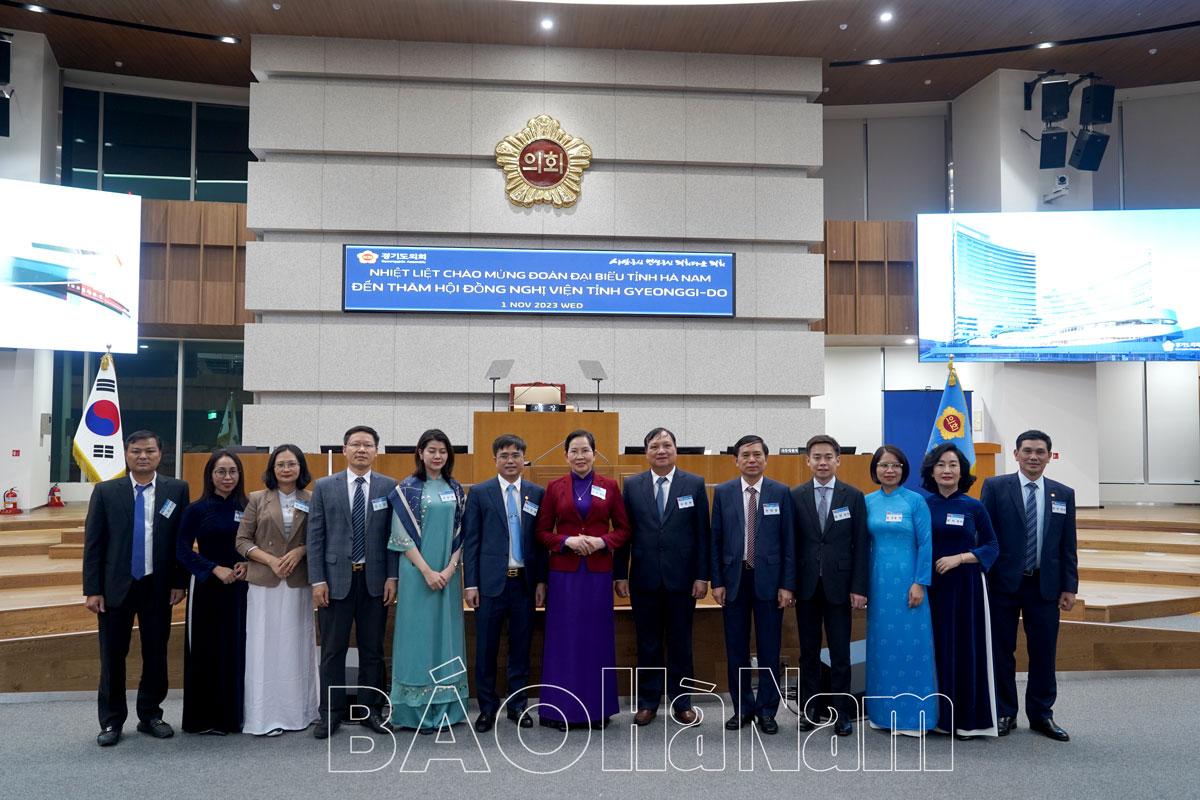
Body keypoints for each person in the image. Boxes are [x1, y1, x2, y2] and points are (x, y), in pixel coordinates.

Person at [82, 430, 191, 747]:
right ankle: (111, 721)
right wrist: (92, 589)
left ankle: (151, 715)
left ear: (160, 454)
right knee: (112, 657)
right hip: (115, 588)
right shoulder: (105, 491)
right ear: (126, 454)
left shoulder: (177, 489)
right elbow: (94, 544)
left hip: (158, 587)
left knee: (155, 655)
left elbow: (180, 542)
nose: (143, 456)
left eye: (150, 451)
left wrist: (179, 582)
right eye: (136, 451)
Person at [980, 429, 1078, 742]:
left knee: (1044, 653)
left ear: (1050, 456)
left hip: (1045, 586)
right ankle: (1004, 712)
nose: (1033, 457)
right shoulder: (995, 487)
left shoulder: (1063, 493)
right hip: (1002, 585)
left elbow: (1067, 545)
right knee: (1001, 652)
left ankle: (1041, 715)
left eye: (1040, 452)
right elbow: (985, 538)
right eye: (1027, 451)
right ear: (1016, 454)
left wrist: (1069, 586)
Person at [535, 429, 631, 730]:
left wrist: (604, 542)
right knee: (563, 642)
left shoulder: (610, 486)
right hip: (564, 575)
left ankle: (597, 709)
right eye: (574, 451)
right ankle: (559, 710)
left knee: (596, 641)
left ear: (594, 454)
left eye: (585, 450)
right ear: (566, 455)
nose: (580, 456)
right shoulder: (554, 488)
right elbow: (541, 531)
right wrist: (565, 541)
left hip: (598, 575)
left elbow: (624, 529)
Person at [307, 425, 399, 739]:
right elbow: (315, 537)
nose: (361, 450)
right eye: (355, 444)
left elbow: (393, 537)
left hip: (374, 582)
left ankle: (370, 711)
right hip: (334, 582)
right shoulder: (324, 486)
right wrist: (317, 580)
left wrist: (392, 576)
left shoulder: (389, 486)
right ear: (344, 450)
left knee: (373, 650)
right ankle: (330, 714)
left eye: (368, 445)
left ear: (376, 451)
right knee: (332, 651)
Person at [614, 427, 709, 726]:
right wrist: (620, 574)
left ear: (676, 450)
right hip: (643, 578)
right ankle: (647, 703)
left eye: (667, 445)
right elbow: (624, 533)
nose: (661, 450)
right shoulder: (632, 486)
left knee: (681, 642)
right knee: (648, 643)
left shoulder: (694, 484)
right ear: (646, 453)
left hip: (683, 579)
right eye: (655, 446)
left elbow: (702, 535)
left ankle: (682, 703)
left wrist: (702, 576)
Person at [710, 435, 795, 735]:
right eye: (745, 455)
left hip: (770, 582)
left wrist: (787, 584)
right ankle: (742, 707)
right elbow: (715, 540)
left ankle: (767, 710)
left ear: (766, 459)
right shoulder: (723, 492)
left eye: (757, 454)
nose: (751, 459)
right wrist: (716, 581)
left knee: (770, 649)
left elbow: (789, 543)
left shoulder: (781, 492)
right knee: (737, 650)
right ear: (735, 460)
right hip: (734, 580)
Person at [462, 434, 547, 733]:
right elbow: (471, 542)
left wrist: (541, 581)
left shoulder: (537, 493)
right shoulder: (480, 492)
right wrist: (470, 583)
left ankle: (517, 704)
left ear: (524, 457)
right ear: (494, 459)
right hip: (488, 585)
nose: (510, 460)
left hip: (524, 583)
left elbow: (541, 543)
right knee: (486, 649)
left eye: (515, 454)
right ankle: (486, 708)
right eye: (504, 455)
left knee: (520, 648)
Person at [387, 429, 469, 733]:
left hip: (448, 577)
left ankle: (446, 708)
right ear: (420, 452)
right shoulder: (406, 489)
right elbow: (401, 537)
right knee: (417, 638)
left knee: (445, 638)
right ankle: (414, 711)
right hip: (417, 575)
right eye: (431, 450)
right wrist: (427, 571)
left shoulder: (456, 489)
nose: (437, 456)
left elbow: (461, 534)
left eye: (443, 451)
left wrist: (448, 569)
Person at [236, 444, 319, 737]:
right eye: (280, 464)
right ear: (272, 469)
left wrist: (299, 552)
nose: (286, 469)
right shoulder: (257, 499)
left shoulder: (312, 498)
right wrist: (271, 560)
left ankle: (300, 713)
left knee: (295, 648)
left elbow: (320, 537)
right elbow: (242, 541)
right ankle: (264, 716)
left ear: (301, 468)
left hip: (297, 583)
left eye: (292, 464)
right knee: (264, 648)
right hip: (265, 582)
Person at [789, 434, 868, 736]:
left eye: (828, 457)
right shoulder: (795, 495)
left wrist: (859, 588)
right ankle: (809, 710)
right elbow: (791, 545)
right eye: (816, 457)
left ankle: (842, 713)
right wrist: (789, 584)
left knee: (840, 654)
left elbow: (860, 545)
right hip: (806, 586)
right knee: (808, 652)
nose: (822, 462)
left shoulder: (853, 495)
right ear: (807, 461)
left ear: (838, 460)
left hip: (841, 585)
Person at [921, 443, 999, 740]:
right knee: (935, 648)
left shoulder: (973, 506)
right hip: (931, 588)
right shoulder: (921, 505)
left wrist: (960, 558)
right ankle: (937, 718)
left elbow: (992, 546)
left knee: (965, 648)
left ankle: (965, 720)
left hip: (966, 586)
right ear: (932, 470)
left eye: (953, 464)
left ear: (962, 471)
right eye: (941, 464)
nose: (947, 470)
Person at [863, 445, 937, 736]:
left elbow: (926, 544)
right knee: (882, 648)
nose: (889, 470)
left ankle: (915, 716)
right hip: (878, 584)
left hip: (909, 583)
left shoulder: (915, 501)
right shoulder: (867, 502)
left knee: (913, 647)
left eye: (895, 465)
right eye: (883, 465)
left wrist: (920, 582)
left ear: (904, 469)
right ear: (875, 469)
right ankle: (882, 714)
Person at [176, 449, 249, 735]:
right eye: (221, 471)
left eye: (233, 471)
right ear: (210, 475)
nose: (227, 477)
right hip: (207, 587)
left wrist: (246, 562)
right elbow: (181, 549)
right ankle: (203, 719)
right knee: (206, 650)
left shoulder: (249, 505)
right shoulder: (196, 509)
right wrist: (214, 568)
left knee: (237, 649)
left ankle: (233, 718)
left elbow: (256, 543)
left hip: (242, 587)